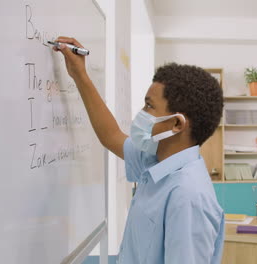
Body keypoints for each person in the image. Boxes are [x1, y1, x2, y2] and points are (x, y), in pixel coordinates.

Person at [53, 37, 225, 264]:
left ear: (176, 124)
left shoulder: (188, 197)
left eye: (149, 106)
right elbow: (111, 136)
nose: (141, 112)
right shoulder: (156, 159)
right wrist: (80, 75)